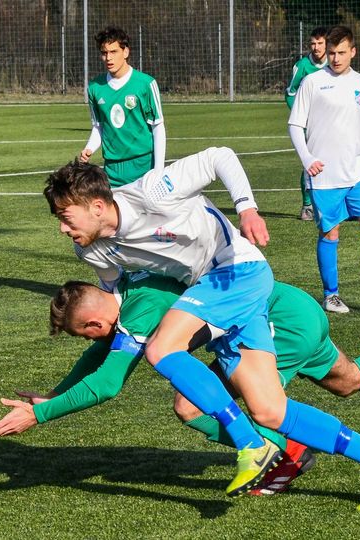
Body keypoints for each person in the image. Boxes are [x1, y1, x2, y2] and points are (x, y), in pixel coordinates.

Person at [0, 272, 360, 509]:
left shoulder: (138, 313)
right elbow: (100, 355)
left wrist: (39, 416)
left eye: (86, 334)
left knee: (233, 409)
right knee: (351, 379)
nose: (92, 342)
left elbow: (108, 382)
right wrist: (55, 393)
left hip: (271, 323)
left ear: (94, 322)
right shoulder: (129, 287)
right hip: (292, 307)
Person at [43, 146, 282, 498]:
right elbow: (115, 306)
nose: (63, 229)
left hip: (236, 269)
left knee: (161, 349)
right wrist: (56, 394)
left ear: (97, 207)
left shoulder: (153, 192)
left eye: (66, 217)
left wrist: (247, 208)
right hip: (206, 287)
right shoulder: (91, 249)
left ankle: (252, 445)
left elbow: (220, 156)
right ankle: (356, 460)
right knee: (272, 410)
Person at [288, 26, 360, 314]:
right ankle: (331, 295)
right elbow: (295, 124)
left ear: (353, 51)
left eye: (342, 52)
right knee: (330, 234)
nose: (336, 58)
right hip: (324, 176)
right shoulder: (312, 82)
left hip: (358, 172)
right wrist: (307, 159)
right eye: (332, 53)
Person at [80, 26, 165, 187]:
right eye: (104, 53)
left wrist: (158, 170)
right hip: (112, 170)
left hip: (143, 166)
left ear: (125, 52)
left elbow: (157, 126)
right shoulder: (94, 88)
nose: (108, 58)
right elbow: (99, 126)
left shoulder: (146, 84)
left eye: (113, 52)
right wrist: (89, 148)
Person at [285, 26, 327, 221]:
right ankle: (308, 206)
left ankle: (336, 204)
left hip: (330, 123)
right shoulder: (302, 66)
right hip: (308, 125)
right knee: (310, 162)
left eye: (320, 43)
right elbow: (290, 93)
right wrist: (302, 117)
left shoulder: (334, 64)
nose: (316, 47)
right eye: (313, 43)